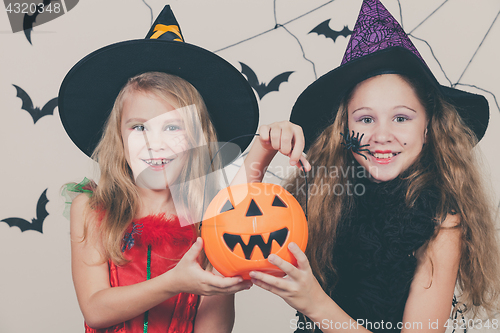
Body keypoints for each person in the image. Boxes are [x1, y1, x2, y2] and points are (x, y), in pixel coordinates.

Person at [240, 0, 500, 332]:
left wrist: (314, 302)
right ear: (344, 129)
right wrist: (261, 154)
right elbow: (234, 230)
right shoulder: (323, 190)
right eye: (365, 119)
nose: (381, 135)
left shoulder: (442, 222)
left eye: (401, 117)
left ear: (428, 128)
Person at [58, 6, 258, 333]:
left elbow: (215, 327)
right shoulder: (92, 209)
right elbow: (95, 309)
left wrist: (265, 148)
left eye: (173, 128)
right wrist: (175, 282)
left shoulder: (212, 217)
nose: (155, 144)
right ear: (118, 139)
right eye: (139, 128)